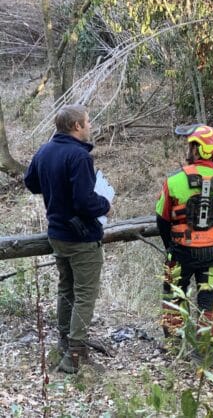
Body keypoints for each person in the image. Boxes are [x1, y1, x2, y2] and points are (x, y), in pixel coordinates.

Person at [24, 104, 112, 374]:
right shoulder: (79, 157)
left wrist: (55, 189)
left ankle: (65, 342)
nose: (90, 126)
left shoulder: (45, 150)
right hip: (81, 237)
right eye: (87, 122)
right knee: (85, 294)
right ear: (76, 126)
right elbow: (85, 202)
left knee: (66, 289)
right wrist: (105, 204)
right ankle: (75, 356)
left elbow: (31, 183)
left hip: (57, 234)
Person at [156, 125, 213, 340]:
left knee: (172, 297)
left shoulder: (173, 181)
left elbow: (162, 218)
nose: (189, 149)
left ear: (199, 149)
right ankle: (204, 348)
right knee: (210, 302)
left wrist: (171, 246)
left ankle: (173, 345)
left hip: (180, 251)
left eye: (191, 145)